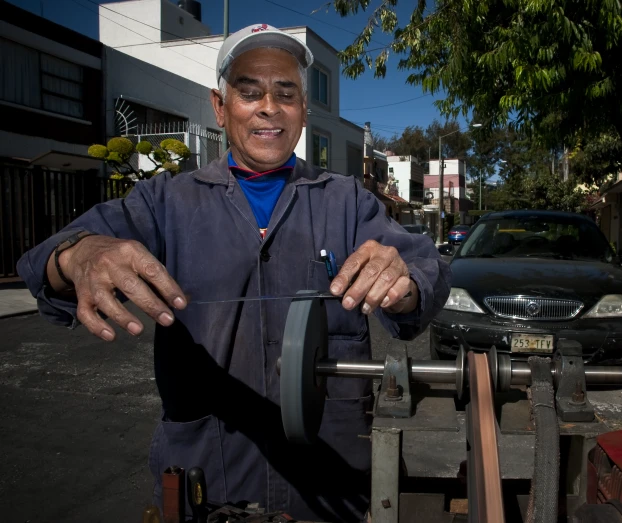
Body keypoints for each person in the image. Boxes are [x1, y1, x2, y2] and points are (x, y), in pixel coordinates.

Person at [16, 23, 451, 522]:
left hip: (333, 482)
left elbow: (427, 268)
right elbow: (52, 256)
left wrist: (405, 284)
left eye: (286, 93)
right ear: (221, 108)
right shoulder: (165, 201)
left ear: (304, 111)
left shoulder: (349, 200)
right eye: (249, 93)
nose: (269, 107)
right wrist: (83, 253)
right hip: (208, 476)